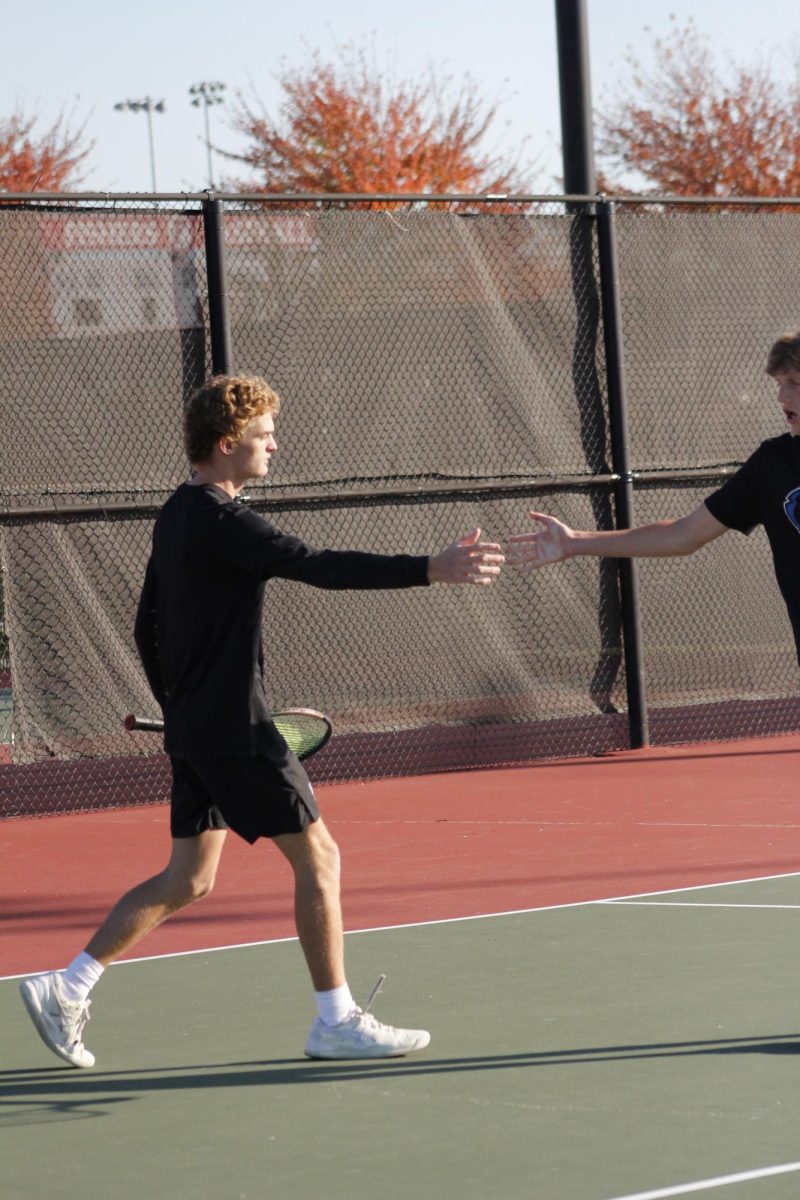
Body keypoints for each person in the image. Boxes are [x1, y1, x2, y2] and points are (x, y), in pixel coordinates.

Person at [19, 374, 504, 1068]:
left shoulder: (176, 513)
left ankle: (67, 987)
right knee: (321, 857)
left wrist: (177, 708)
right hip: (236, 732)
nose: (274, 444)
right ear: (226, 444)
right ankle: (335, 1019)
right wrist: (433, 567)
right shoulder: (226, 521)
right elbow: (318, 565)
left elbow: (143, 623)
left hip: (198, 728)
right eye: (261, 435)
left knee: (188, 879)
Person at [506, 332, 800, 663]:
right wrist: (573, 542)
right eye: (779, 382)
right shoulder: (771, 465)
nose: (781, 395)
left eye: (793, 383)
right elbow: (683, 535)